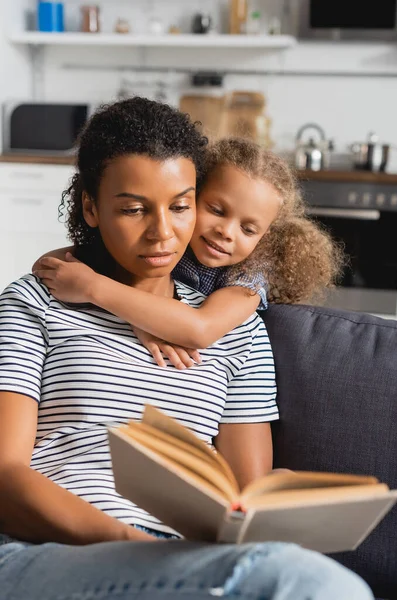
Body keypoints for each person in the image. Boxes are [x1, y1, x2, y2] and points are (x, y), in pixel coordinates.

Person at [0, 97, 372, 600]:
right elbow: (4, 473)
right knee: (306, 583)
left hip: (184, 568)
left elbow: (245, 492)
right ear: (90, 205)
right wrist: (133, 543)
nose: (162, 233)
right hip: (45, 552)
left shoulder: (233, 328)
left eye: (180, 206)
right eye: (133, 209)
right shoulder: (37, 302)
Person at [33, 137, 342, 370]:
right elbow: (50, 265)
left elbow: (200, 329)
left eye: (248, 229)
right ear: (190, 198)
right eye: (217, 210)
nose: (227, 231)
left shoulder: (247, 279)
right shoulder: (169, 243)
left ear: (264, 237)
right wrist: (139, 319)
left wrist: (94, 288)